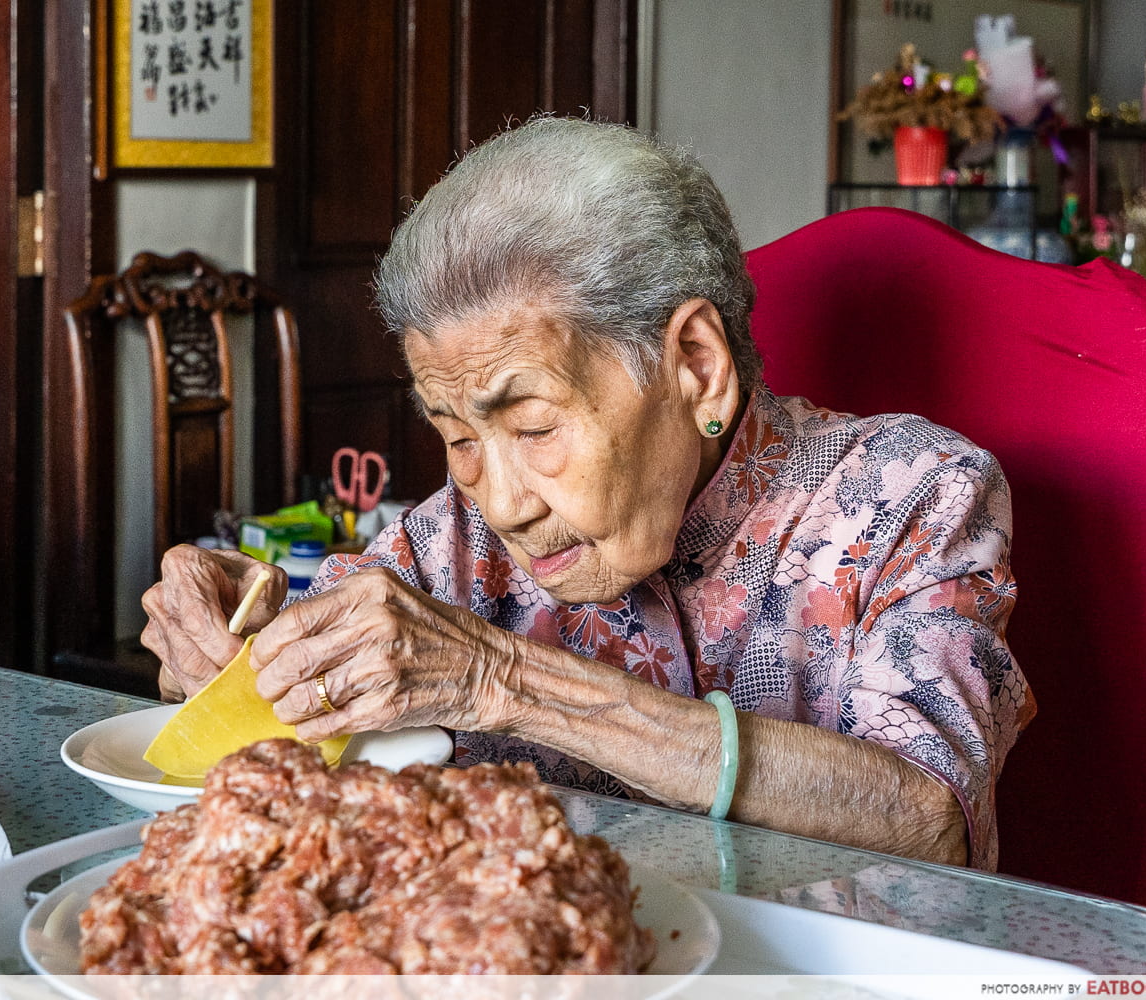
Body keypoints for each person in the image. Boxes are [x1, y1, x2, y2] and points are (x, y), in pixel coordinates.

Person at [142, 116, 1034, 870]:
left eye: (533, 428)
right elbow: (318, 658)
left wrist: (509, 681)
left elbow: (930, 817)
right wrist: (246, 627)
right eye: (456, 435)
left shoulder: (909, 496)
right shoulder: (454, 544)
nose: (501, 502)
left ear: (696, 365)